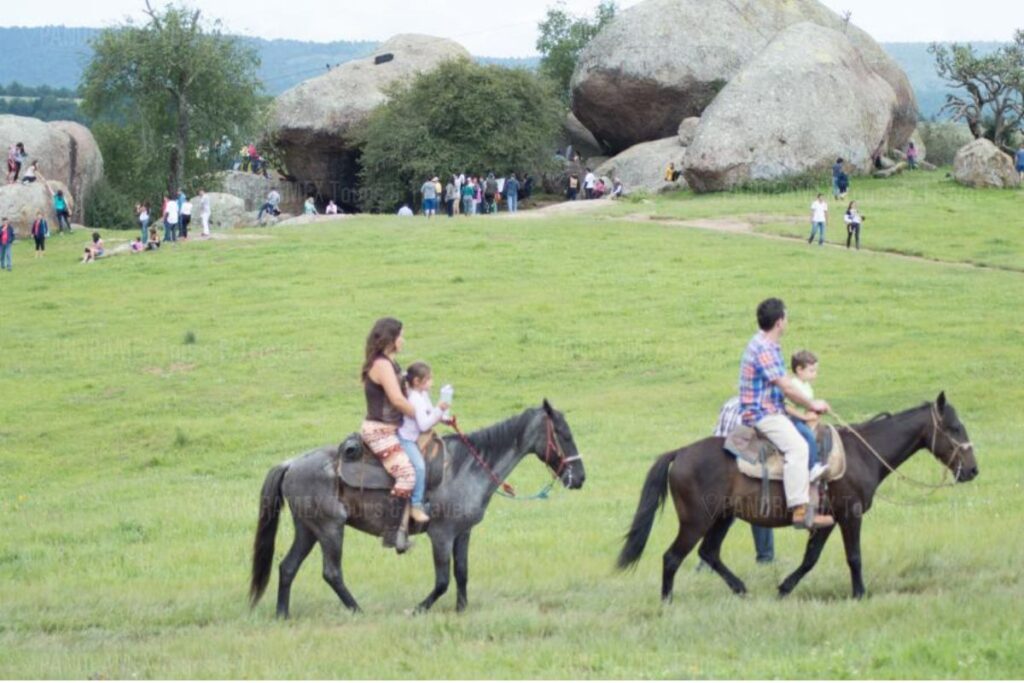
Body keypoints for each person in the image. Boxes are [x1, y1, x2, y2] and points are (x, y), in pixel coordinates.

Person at [739, 298, 834, 529]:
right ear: (780, 322)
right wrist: (812, 404)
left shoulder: (766, 344)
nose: (787, 321)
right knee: (798, 447)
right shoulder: (764, 349)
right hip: (762, 413)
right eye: (786, 317)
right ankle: (799, 510)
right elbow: (788, 387)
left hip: (772, 409)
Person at [360, 317, 419, 551]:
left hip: (396, 428)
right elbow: (396, 399)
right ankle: (392, 532)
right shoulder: (382, 365)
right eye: (401, 335)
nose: (403, 340)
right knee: (406, 474)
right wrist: (421, 416)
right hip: (379, 431)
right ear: (391, 339)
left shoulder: (391, 363)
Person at [711, 396, 774, 564]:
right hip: (740, 457)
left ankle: (705, 560)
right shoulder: (759, 407)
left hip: (720, 457)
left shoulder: (729, 402)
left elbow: (717, 434)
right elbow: (748, 442)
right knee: (760, 504)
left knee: (725, 511)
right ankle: (765, 557)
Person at [397, 362, 451, 523]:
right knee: (419, 467)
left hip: (415, 437)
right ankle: (416, 504)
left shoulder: (423, 396)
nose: (431, 382)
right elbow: (424, 425)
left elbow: (430, 413)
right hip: (406, 439)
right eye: (428, 379)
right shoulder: (415, 399)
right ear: (417, 382)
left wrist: (443, 416)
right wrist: (439, 410)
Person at [787, 350, 829, 484]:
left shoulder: (806, 387)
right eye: (811, 371)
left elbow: (807, 404)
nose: (815, 375)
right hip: (792, 419)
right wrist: (804, 418)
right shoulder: (793, 386)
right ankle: (813, 467)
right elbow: (787, 407)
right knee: (808, 435)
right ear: (799, 370)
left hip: (802, 417)